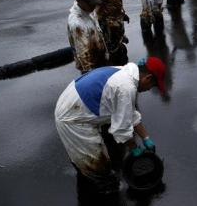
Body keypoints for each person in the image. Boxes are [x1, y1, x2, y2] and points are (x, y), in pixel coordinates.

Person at [54, 57, 165, 193]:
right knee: (99, 166)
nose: (149, 90)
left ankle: (85, 170)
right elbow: (121, 130)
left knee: (87, 159)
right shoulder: (126, 87)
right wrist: (135, 149)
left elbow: (130, 113)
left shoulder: (126, 74)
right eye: (152, 86)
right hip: (73, 118)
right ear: (147, 78)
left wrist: (146, 138)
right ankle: (103, 198)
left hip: (73, 103)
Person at [67, 0, 109, 74]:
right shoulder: (77, 24)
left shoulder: (88, 11)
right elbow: (84, 55)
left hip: (101, 60)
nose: (93, 6)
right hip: (93, 68)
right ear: (79, 0)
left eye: (94, 3)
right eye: (90, 4)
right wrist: (91, 74)